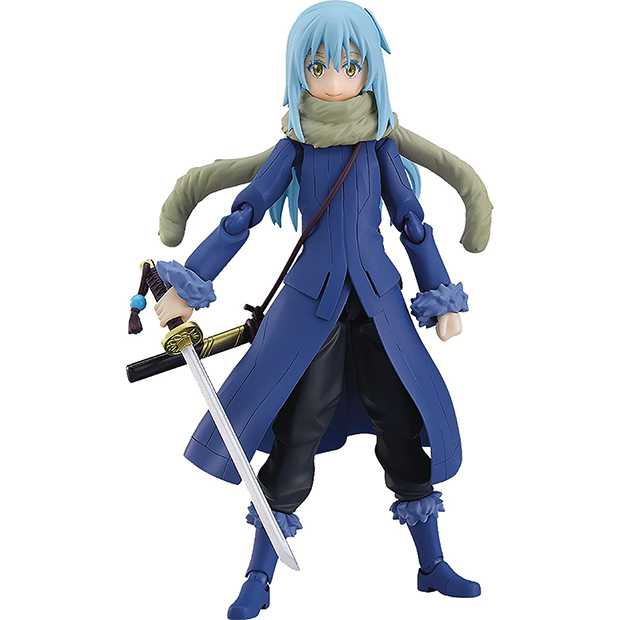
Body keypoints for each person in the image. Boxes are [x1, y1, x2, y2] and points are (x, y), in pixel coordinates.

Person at [153, 3, 492, 618]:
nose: (335, 80)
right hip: (312, 308)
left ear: (370, 72)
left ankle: (432, 563)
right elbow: (244, 213)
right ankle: (259, 575)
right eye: (318, 67)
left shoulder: (378, 145)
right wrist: (192, 281)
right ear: (299, 72)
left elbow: (412, 222)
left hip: (379, 307)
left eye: (349, 66)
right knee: (295, 436)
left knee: (403, 427)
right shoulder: (298, 147)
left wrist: (439, 294)